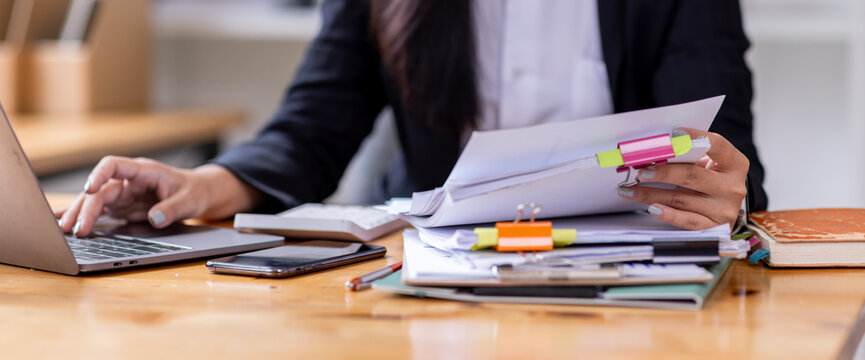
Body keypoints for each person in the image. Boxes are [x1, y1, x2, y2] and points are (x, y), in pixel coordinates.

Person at [56, 0, 767, 237]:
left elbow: (727, 160)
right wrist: (204, 184)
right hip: (430, 270)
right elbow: (315, 122)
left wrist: (727, 200)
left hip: (624, 280)